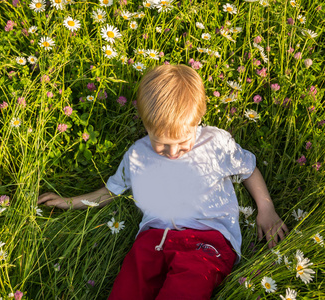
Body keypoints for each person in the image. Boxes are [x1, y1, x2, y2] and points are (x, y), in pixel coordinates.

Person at [38, 64, 289, 299]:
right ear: (146, 126)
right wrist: (68, 202)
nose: (172, 152)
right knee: (127, 289)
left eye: (182, 142)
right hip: (154, 239)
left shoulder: (216, 143)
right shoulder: (137, 154)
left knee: (186, 288)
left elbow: (248, 169)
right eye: (162, 143)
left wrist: (266, 209)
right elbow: (110, 191)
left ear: (198, 120)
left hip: (208, 239)